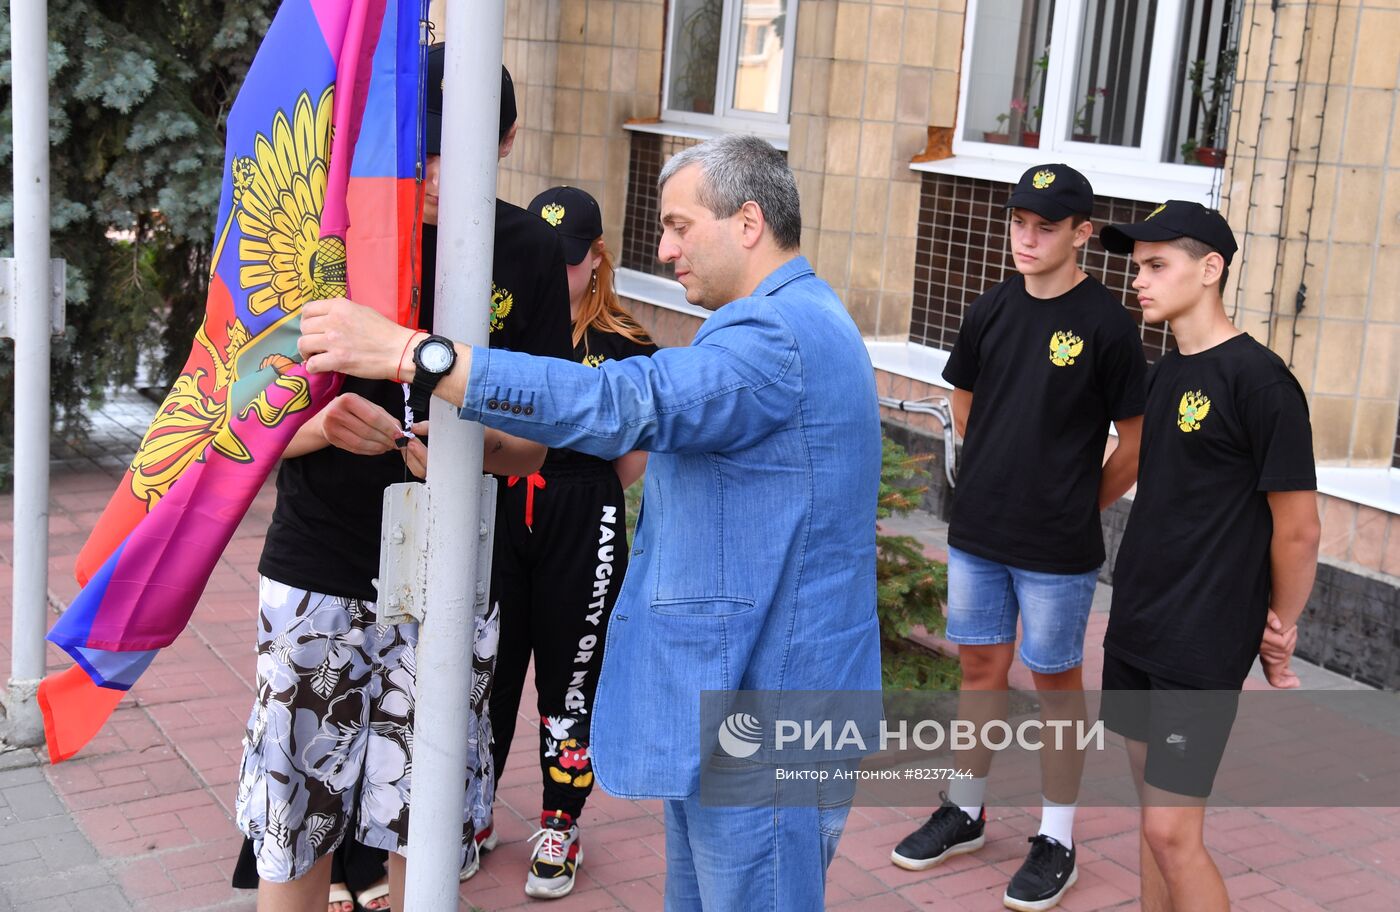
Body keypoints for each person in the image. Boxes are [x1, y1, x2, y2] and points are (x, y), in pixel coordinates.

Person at [299, 133, 884, 911]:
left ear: (748, 222)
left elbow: (621, 402)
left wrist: (418, 354)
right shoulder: (800, 314)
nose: (664, 247)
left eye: (680, 225)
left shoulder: (773, 336)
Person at [231, 49, 574, 912]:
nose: (429, 176)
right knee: (295, 818)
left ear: (506, 143)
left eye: (456, 151)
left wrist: (474, 450)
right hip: (318, 567)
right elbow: (232, 416)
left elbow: (536, 446)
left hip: (450, 571)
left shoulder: (526, 251)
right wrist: (312, 427)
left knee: (424, 818)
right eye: (416, 149)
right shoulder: (325, 236)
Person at [890, 163, 1146, 911]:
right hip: (979, 531)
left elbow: (1133, 444)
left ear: (1081, 234)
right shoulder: (991, 307)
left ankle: (1058, 837)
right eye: (1018, 223)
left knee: (1056, 682)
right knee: (980, 670)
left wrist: (1072, 503)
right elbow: (963, 405)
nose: (1026, 238)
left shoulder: (1107, 326)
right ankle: (965, 811)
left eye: (1045, 226)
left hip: (1057, 547)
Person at [1096, 201, 1319, 911]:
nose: (1141, 282)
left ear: (1210, 268)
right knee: (1151, 823)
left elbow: (1299, 530)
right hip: (1137, 623)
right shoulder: (1164, 376)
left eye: (1158, 266)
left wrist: (1280, 624)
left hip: (1203, 635)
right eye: (1138, 268)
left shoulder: (1261, 383)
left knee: (1172, 832)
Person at [469, 184, 656, 899]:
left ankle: (559, 819)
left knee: (572, 676)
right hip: (501, 505)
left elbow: (631, 463)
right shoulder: (501, 321)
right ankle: (473, 810)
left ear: (596, 259)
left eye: (571, 262)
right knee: (488, 666)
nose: (559, 274)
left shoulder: (626, 344)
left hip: (583, 515)